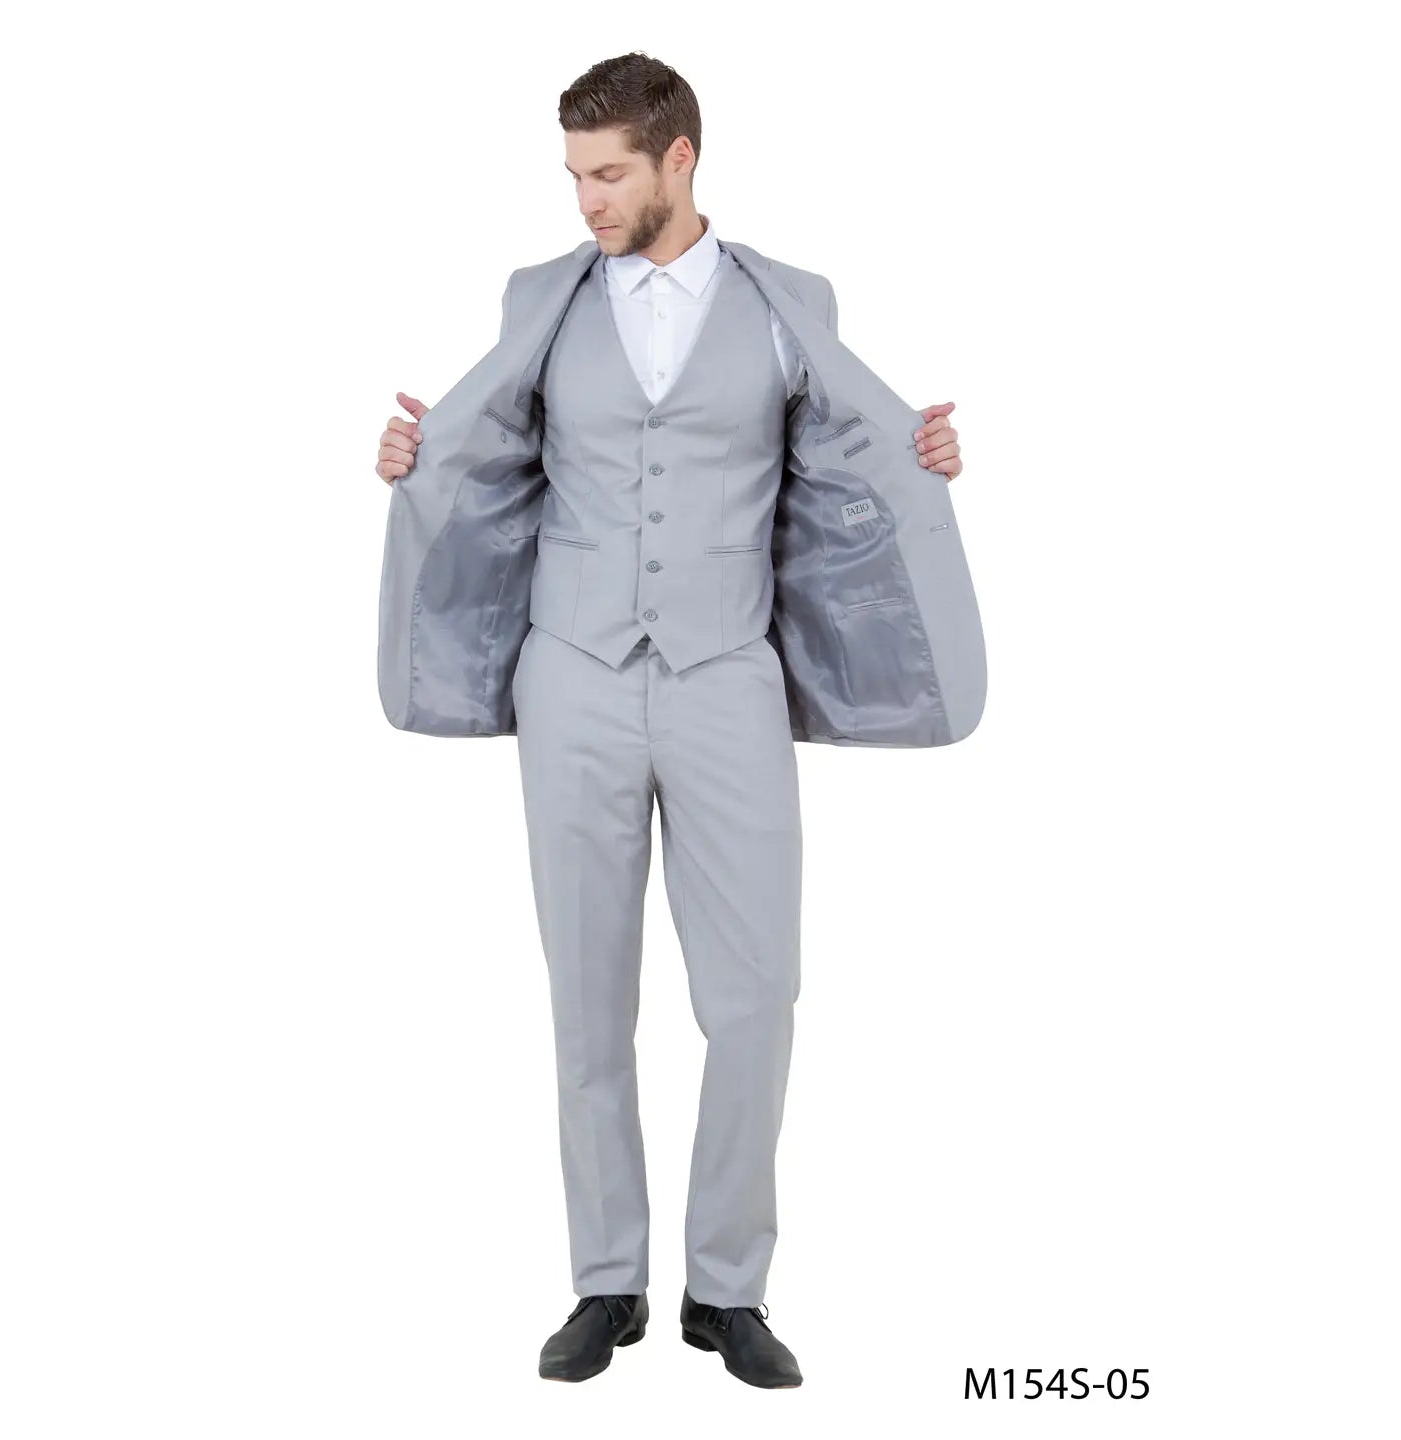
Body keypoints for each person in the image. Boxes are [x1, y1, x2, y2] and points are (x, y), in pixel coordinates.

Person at [373, 52, 964, 1390]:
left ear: (679, 159)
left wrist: (922, 457)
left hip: (727, 675)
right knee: (587, 999)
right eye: (574, 175)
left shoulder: (787, 303)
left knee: (757, 998)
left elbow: (849, 457)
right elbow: (486, 452)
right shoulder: (540, 298)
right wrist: (414, 460)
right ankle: (606, 1283)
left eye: (608, 173)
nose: (585, 199)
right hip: (571, 674)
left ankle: (727, 1291)